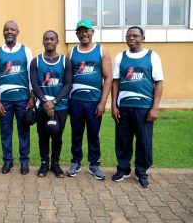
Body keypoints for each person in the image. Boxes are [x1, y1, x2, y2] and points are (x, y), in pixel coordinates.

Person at [111, 26, 164, 188]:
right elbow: (115, 81)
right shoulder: (120, 57)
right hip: (124, 106)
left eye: (135, 36)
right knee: (123, 139)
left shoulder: (152, 56)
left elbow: (159, 82)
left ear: (143, 38)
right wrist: (113, 105)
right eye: (128, 36)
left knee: (144, 141)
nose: (131, 38)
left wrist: (154, 108)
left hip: (144, 107)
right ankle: (123, 169)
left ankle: (142, 171)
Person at [66, 19, 112, 180]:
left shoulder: (101, 51)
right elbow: (68, 79)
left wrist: (103, 102)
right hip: (75, 101)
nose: (84, 34)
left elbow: (108, 78)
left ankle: (94, 165)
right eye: (81, 31)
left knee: (94, 134)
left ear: (92, 32)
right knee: (76, 133)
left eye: (87, 31)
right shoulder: (71, 52)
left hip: (94, 101)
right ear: (77, 34)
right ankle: (76, 162)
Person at [0, 20, 34, 175]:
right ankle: (7, 161)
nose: (9, 32)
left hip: (23, 98)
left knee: (23, 130)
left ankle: (24, 162)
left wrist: (32, 97)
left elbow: (31, 75)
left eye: (12, 29)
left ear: (18, 32)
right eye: (6, 30)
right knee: (5, 131)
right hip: (5, 100)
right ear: (3, 32)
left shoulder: (26, 51)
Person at [30, 30, 72, 178]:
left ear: (57, 41)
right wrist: (45, 102)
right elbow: (34, 84)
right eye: (46, 39)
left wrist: (53, 102)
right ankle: (44, 164)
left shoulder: (65, 61)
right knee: (42, 135)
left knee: (57, 135)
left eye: (52, 39)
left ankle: (55, 164)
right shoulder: (36, 61)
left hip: (60, 106)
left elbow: (68, 84)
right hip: (42, 106)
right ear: (43, 41)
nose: (49, 41)